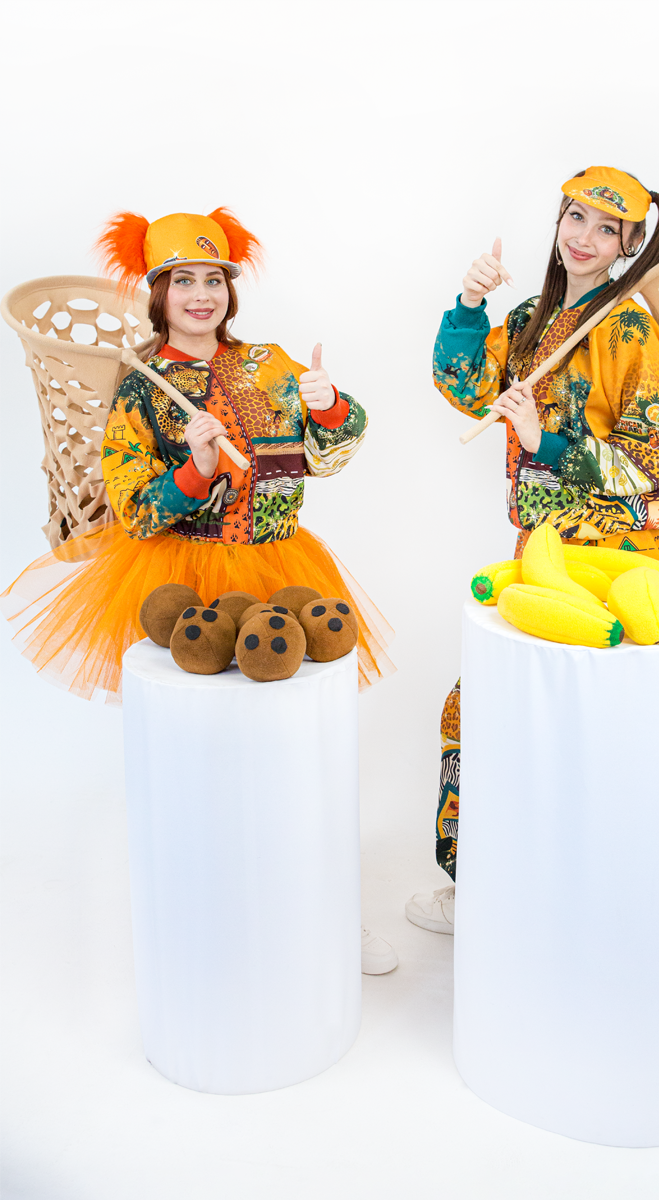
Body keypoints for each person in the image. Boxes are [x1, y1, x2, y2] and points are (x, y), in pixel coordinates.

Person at [3, 207, 396, 974]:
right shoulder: (141, 388)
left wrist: (326, 404)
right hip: (184, 583)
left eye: (213, 279)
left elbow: (331, 456)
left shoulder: (272, 364)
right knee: (209, 762)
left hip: (283, 568)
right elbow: (132, 510)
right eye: (183, 280)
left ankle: (323, 916)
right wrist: (195, 470)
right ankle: (217, 920)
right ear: (158, 293)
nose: (201, 294)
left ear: (229, 289)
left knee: (297, 752)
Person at [405, 167, 659, 935]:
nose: (584, 238)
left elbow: (647, 464)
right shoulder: (531, 317)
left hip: (617, 561)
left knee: (587, 735)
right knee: (481, 713)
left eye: (606, 229)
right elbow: (465, 386)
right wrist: (469, 305)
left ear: (628, 245)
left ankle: (593, 904)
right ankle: (486, 887)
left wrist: (544, 441)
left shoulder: (628, 328)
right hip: (541, 553)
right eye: (575, 218)